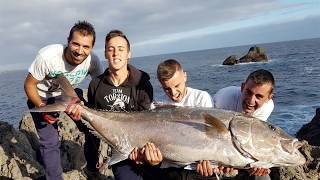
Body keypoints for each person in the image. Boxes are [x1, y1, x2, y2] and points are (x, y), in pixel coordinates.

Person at [24, 21, 102, 180]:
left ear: (92, 48)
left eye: (86, 47)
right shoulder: (48, 57)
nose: (80, 51)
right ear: (68, 41)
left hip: (69, 94)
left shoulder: (92, 61)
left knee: (93, 128)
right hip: (43, 96)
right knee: (50, 142)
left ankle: (92, 169)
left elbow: (100, 86)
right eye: (76, 44)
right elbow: (29, 85)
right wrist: (41, 106)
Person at [79, 29, 154, 180]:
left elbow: (149, 123)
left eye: (121, 49)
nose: (115, 53)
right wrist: (93, 162)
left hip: (147, 152)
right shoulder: (96, 85)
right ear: (106, 53)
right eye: (111, 49)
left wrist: (143, 154)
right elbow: (94, 127)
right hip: (120, 152)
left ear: (129, 53)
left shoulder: (143, 84)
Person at [198, 69, 275, 180]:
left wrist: (259, 164)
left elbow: (251, 139)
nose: (251, 101)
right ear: (242, 87)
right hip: (213, 147)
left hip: (236, 148)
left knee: (262, 176)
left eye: (259, 96)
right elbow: (208, 134)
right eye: (248, 92)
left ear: (269, 97)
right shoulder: (224, 98)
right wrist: (223, 162)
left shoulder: (267, 108)